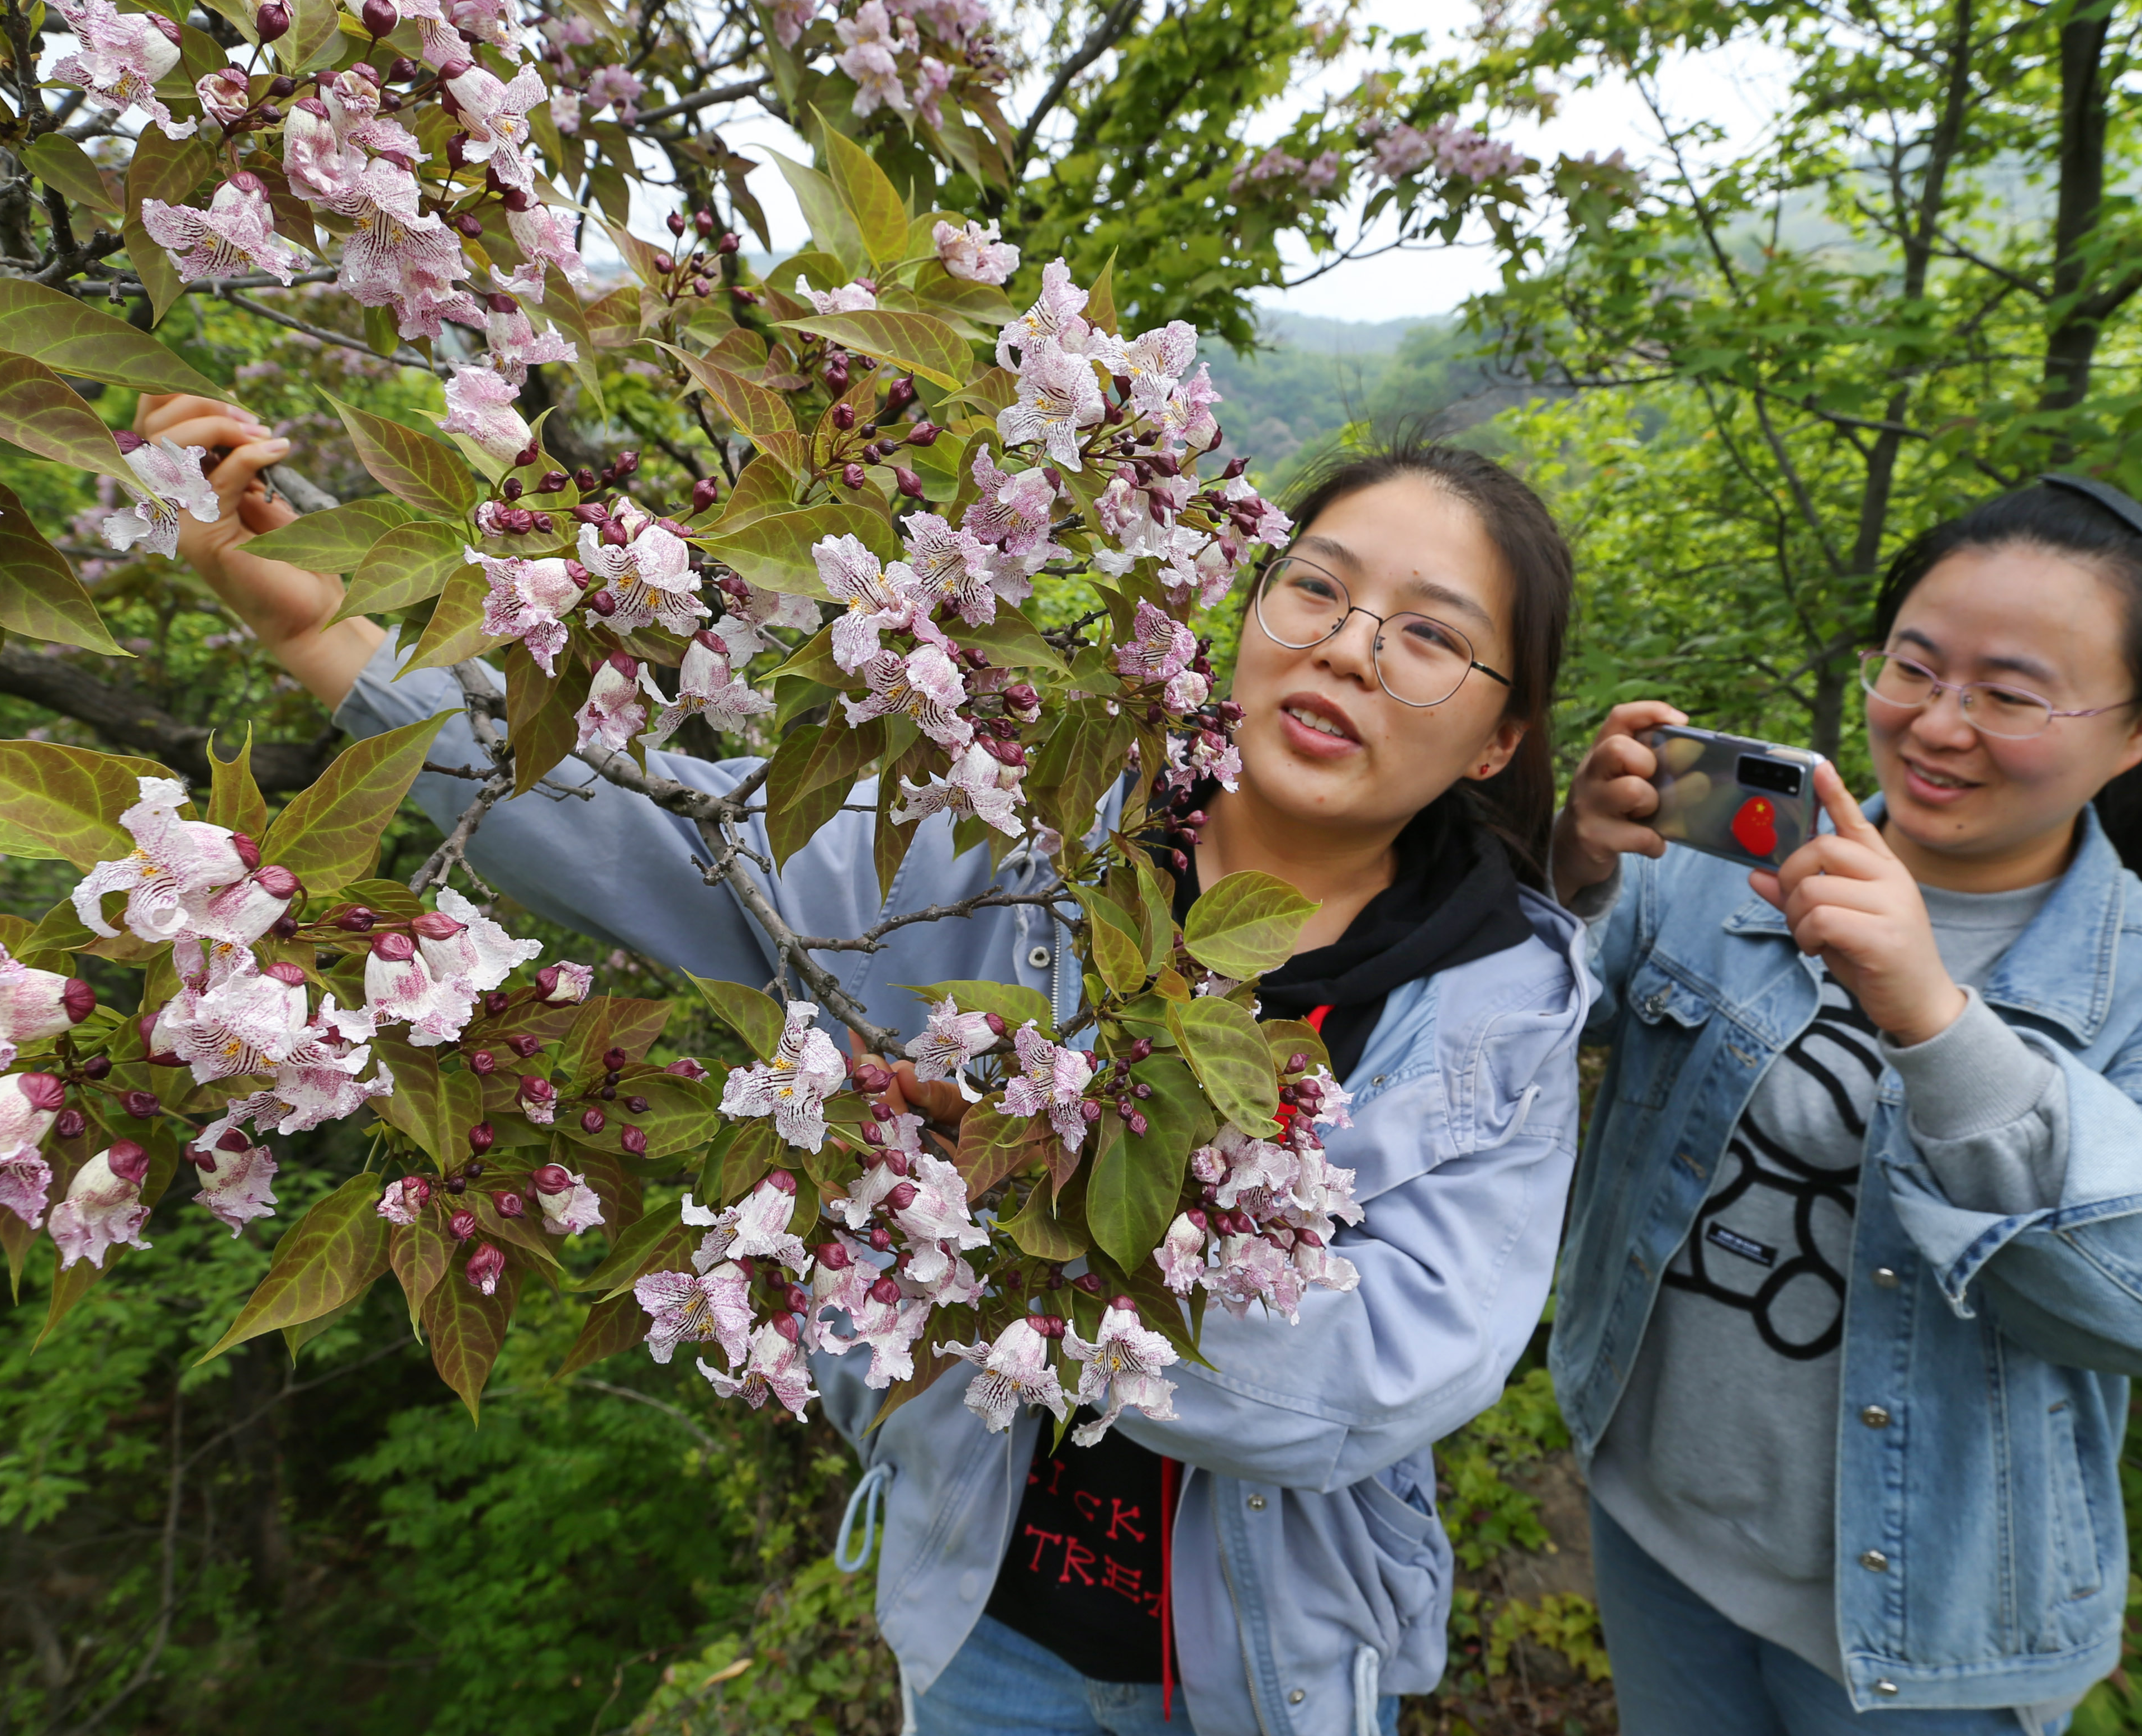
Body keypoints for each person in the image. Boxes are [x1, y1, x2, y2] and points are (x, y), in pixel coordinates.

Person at [139, 392, 1595, 1736]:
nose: (1347, 643)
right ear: (1249, 607)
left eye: (1425, 633)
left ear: (1496, 738)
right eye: (1318, 586)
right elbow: (654, 833)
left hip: (1268, 1660)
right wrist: (312, 621)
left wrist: (1015, 1218)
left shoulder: (1493, 1007)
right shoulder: (1010, 834)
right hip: (982, 1620)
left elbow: (1383, 1375)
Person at [1544, 475, 2142, 1736]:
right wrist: (1575, 867)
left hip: (1930, 1640)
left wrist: (1940, 1026)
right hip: (1652, 1522)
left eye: (2010, 694)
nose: (1940, 725)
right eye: (1913, 668)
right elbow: (1532, 1037)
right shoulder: (1726, 864)